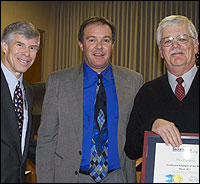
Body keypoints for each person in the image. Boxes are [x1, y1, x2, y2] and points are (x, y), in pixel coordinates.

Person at [36, 16, 143, 183]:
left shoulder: (133, 81)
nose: (99, 46)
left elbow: (138, 128)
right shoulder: (59, 82)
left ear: (112, 45)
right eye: (92, 40)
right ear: (81, 45)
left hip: (117, 176)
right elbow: (46, 139)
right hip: (73, 177)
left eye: (105, 40)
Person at [124, 15, 199, 161]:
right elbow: (131, 150)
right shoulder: (147, 93)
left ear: (196, 46)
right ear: (161, 52)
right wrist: (151, 126)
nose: (175, 45)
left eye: (182, 38)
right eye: (167, 41)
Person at [1, 21, 40, 183]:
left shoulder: (27, 90)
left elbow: (26, 141)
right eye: (20, 45)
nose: (26, 53)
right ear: (4, 46)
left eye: (32, 48)